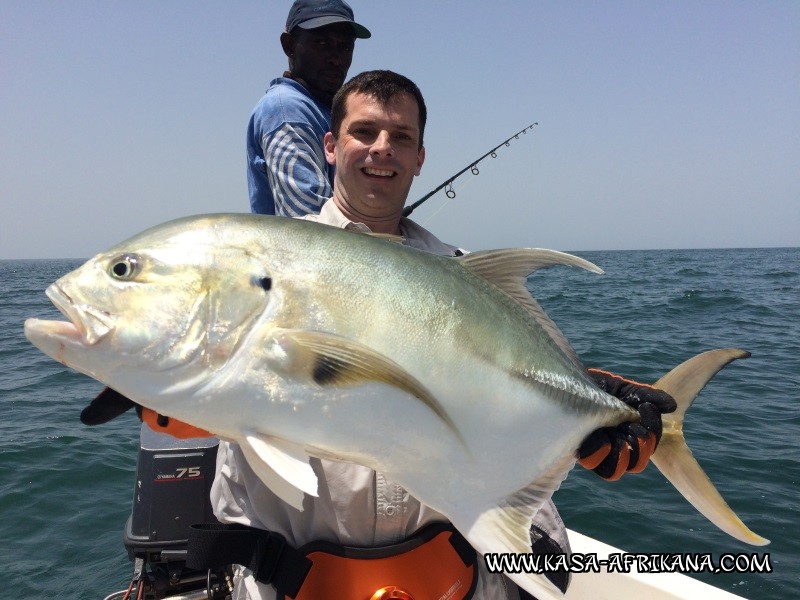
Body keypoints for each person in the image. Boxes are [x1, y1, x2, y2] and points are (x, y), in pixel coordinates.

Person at [207, 70, 677, 600]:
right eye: (364, 132)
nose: (382, 148)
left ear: (420, 158)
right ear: (331, 146)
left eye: (401, 137)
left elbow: (500, 416)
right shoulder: (269, 271)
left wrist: (580, 423)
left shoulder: (468, 279)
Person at [247, 0, 370, 217]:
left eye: (345, 47)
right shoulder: (287, 109)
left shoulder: (326, 110)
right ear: (289, 45)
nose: (336, 58)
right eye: (322, 43)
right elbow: (309, 219)